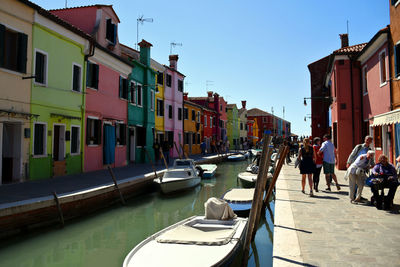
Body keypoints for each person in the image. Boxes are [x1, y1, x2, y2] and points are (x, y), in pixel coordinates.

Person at [346, 135, 374, 200]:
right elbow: (352, 154)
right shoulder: (359, 147)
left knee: (360, 183)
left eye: (369, 140)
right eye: (367, 140)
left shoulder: (369, 150)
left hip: (362, 168)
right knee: (354, 183)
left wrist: (373, 165)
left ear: (371, 142)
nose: (368, 141)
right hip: (355, 165)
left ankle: (358, 196)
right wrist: (348, 162)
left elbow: (371, 159)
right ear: (365, 140)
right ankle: (354, 196)